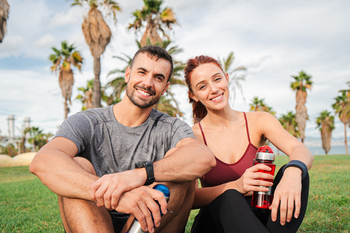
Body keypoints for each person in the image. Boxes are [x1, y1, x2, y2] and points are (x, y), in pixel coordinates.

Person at [29, 46, 216, 233]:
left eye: (158, 78)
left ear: (165, 88)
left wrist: (140, 174)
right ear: (128, 74)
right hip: (93, 222)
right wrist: (120, 197)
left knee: (183, 167)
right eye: (142, 72)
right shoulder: (88, 121)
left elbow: (203, 157)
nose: (148, 82)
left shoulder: (171, 127)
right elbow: (43, 161)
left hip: (152, 225)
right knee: (78, 164)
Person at [183, 55, 314, 233]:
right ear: (193, 95)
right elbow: (189, 198)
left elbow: (300, 149)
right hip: (215, 222)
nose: (214, 89)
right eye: (203, 86)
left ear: (227, 78)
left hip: (259, 215)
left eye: (217, 79)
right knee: (230, 197)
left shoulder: (258, 120)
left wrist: (293, 172)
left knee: (298, 171)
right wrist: (236, 186)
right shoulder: (192, 136)